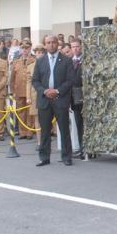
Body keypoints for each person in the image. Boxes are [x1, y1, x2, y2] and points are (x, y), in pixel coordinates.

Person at [31, 34, 74, 167]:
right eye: (48, 42)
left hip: (60, 99)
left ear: (57, 44)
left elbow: (70, 80)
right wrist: (45, 91)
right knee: (45, 131)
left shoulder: (66, 60)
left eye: (53, 42)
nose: (51, 44)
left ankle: (66, 157)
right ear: (45, 45)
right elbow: (35, 81)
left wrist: (57, 91)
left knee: (64, 129)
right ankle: (44, 157)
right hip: (45, 100)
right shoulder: (40, 61)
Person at [10, 40, 34, 140]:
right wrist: (12, 91)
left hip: (30, 91)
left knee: (30, 112)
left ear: (30, 49)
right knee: (21, 112)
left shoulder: (34, 60)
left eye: (27, 48)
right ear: (20, 49)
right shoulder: (16, 62)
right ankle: (22, 132)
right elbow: (12, 78)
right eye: (23, 48)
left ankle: (29, 131)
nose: (25, 50)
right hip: (19, 91)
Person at [69, 38, 84, 157]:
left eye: (77, 46)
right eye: (73, 47)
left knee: (86, 123)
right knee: (78, 123)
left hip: (84, 95)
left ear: (81, 47)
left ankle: (87, 149)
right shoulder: (69, 61)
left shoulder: (86, 60)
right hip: (74, 97)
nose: (75, 49)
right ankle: (81, 147)